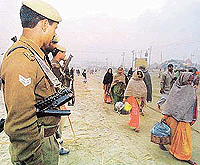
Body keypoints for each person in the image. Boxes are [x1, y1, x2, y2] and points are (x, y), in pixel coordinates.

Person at [1, 0, 62, 164]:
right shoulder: (22, 59)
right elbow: (21, 124)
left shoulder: (35, 55)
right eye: (54, 28)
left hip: (45, 140)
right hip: (36, 148)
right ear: (43, 24)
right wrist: (32, 161)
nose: (53, 34)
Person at [160, 72, 198, 165]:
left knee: (184, 138)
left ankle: (184, 156)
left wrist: (193, 118)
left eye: (191, 80)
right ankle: (163, 144)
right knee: (169, 134)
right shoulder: (175, 89)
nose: (189, 82)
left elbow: (194, 104)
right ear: (182, 79)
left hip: (184, 118)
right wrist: (166, 114)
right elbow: (170, 103)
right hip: (172, 116)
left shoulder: (192, 90)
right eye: (188, 80)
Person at [51, 45, 70, 155]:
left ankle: (57, 141)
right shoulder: (54, 66)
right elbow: (54, 86)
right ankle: (57, 146)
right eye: (63, 52)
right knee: (58, 123)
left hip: (58, 99)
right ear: (58, 53)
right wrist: (60, 102)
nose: (65, 55)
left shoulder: (56, 64)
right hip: (56, 100)